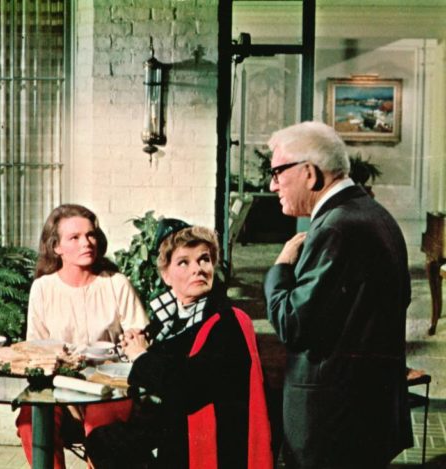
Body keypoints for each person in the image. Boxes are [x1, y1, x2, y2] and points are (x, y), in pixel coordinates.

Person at [263, 121, 412, 469]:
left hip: (334, 425)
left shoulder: (335, 227)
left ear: (310, 174)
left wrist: (281, 268)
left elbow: (293, 325)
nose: (273, 185)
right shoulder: (372, 214)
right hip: (363, 416)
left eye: (277, 172)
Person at [86, 219, 273, 469]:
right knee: (103, 440)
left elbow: (186, 387)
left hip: (213, 444)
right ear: (166, 275)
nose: (198, 269)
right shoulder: (171, 318)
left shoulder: (226, 322)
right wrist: (140, 345)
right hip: (174, 426)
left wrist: (142, 356)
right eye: (184, 262)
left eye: (204, 259)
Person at [17, 203, 149, 468]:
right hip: (59, 387)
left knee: (100, 424)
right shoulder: (43, 289)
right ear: (56, 247)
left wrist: (133, 341)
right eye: (74, 237)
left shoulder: (115, 283)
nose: (86, 243)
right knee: (29, 421)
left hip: (110, 388)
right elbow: (36, 349)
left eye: (90, 235)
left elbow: (138, 338)